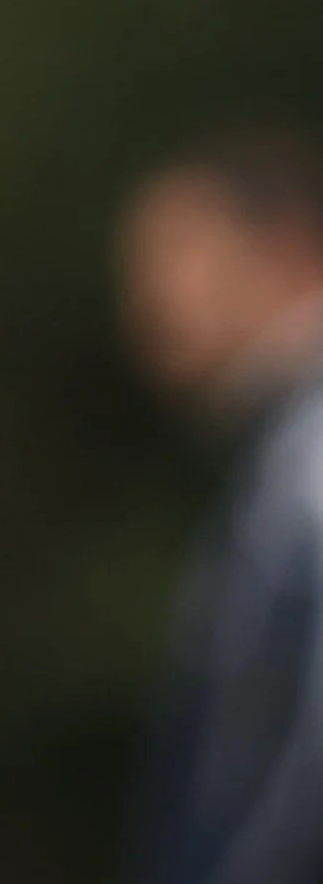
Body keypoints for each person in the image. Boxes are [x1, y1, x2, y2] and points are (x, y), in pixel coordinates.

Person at [120, 131, 323, 884]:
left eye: (175, 258)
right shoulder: (279, 453)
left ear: (285, 248)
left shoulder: (311, 458)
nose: (145, 301)